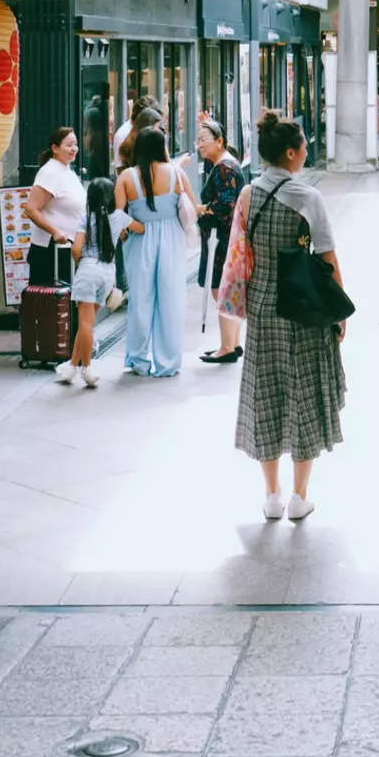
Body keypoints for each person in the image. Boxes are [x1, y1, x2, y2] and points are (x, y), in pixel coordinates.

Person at [236, 112, 347, 521]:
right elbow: (328, 258)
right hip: (303, 308)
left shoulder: (249, 193)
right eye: (302, 146)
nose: (305, 152)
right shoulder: (306, 197)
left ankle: (271, 495)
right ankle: (300, 496)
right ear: (290, 152)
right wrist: (339, 311)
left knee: (266, 392)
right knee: (303, 395)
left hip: (262, 306)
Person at [114, 126, 194, 378]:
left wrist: (134, 227)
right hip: (172, 238)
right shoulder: (176, 173)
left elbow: (118, 217)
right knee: (171, 300)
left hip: (140, 240)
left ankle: (138, 360)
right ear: (162, 147)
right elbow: (193, 206)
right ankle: (168, 363)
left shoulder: (126, 176)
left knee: (140, 300)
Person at [196, 119, 247, 364]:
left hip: (223, 239)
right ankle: (233, 343)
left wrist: (203, 208)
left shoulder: (224, 168)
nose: (199, 145)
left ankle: (227, 346)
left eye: (203, 139)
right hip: (228, 238)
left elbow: (226, 206)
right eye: (198, 140)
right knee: (227, 290)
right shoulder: (226, 164)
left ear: (219, 141)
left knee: (221, 289)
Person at [62, 176, 119, 387]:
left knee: (85, 323)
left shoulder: (85, 218)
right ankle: (70, 367)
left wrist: (81, 263)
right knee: (88, 324)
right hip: (108, 273)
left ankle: (87, 368)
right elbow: (136, 230)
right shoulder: (117, 218)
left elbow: (76, 249)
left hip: (88, 268)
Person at [23, 127, 85, 292]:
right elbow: (31, 209)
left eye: (75, 144)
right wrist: (55, 231)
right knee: (48, 307)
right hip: (50, 250)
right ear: (55, 148)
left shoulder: (67, 169)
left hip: (65, 249)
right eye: (69, 145)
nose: (74, 149)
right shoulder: (50, 172)